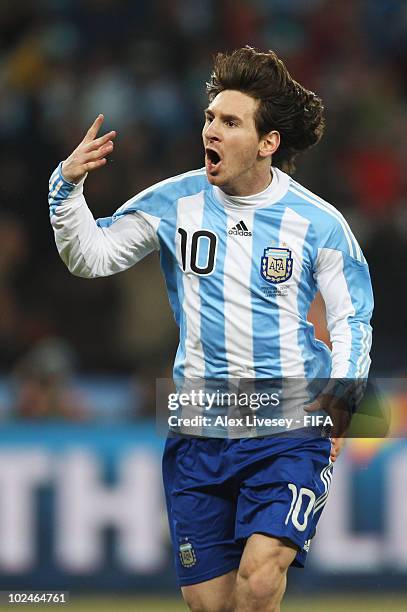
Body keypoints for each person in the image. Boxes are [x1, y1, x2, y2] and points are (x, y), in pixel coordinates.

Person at [48, 47, 373, 612]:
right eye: (209, 119)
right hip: (201, 425)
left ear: (267, 142)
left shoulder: (318, 222)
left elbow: (351, 318)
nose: (212, 132)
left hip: (289, 423)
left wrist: (341, 399)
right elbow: (92, 255)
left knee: (259, 581)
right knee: (211, 604)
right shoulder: (175, 201)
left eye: (230, 122)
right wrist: (66, 187)